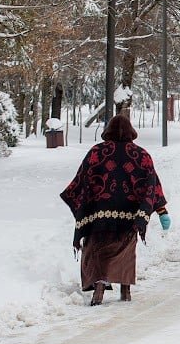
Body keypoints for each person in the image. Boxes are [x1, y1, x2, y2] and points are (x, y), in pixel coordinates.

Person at [60, 115, 169, 306]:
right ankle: (125, 289)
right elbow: (151, 185)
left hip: (98, 216)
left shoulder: (96, 152)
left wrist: (84, 206)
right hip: (129, 217)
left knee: (97, 249)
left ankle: (99, 288)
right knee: (126, 250)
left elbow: (81, 181)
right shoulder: (141, 155)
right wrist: (161, 210)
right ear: (131, 131)